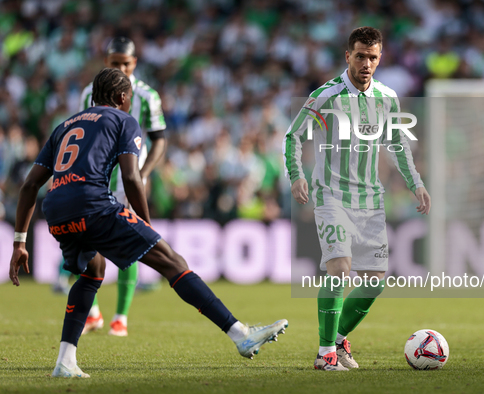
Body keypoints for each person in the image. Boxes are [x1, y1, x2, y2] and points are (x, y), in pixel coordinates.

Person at [9, 68, 288, 378]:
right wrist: (146, 223)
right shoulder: (123, 119)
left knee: (93, 271)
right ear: (122, 98)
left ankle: (65, 361)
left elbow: (29, 185)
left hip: (58, 211)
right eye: (128, 97)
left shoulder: (64, 125)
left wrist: (20, 241)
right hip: (94, 204)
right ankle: (241, 335)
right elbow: (131, 175)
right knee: (171, 261)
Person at [283, 27, 430, 371]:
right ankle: (325, 354)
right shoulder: (326, 96)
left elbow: (396, 144)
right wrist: (296, 176)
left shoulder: (387, 98)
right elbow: (293, 137)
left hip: (370, 200)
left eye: (373, 57)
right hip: (331, 195)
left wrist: (416, 184)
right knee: (339, 270)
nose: (366, 63)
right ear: (348, 56)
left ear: (380, 59)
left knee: (375, 283)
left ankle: (338, 338)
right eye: (360, 56)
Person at [78, 37, 167, 337]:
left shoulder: (147, 96)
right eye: (114, 63)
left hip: (127, 181)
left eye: (125, 64)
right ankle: (92, 312)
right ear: (106, 62)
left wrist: (142, 174)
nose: (120, 68)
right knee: (86, 243)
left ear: (135, 64)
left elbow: (160, 139)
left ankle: (121, 317)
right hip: (95, 180)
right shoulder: (87, 94)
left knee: (129, 244)